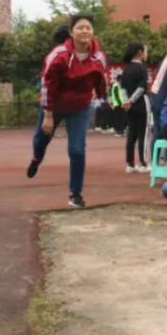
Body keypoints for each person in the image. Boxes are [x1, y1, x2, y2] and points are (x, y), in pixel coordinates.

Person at [26, 15, 108, 208]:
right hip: (54, 105)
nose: (85, 31)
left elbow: (101, 81)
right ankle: (36, 158)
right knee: (41, 138)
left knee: (77, 150)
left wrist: (104, 99)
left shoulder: (98, 57)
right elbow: (47, 84)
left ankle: (75, 193)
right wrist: (48, 114)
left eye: (88, 28)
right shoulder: (59, 55)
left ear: (93, 32)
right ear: (71, 32)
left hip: (79, 107)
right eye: (80, 28)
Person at [121, 43, 150, 173]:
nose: (147, 54)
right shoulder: (142, 68)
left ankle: (130, 164)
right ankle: (144, 163)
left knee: (131, 134)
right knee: (143, 133)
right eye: (146, 51)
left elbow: (122, 88)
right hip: (141, 104)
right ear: (140, 52)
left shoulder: (126, 69)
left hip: (129, 106)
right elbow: (142, 87)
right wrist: (132, 101)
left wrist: (126, 101)